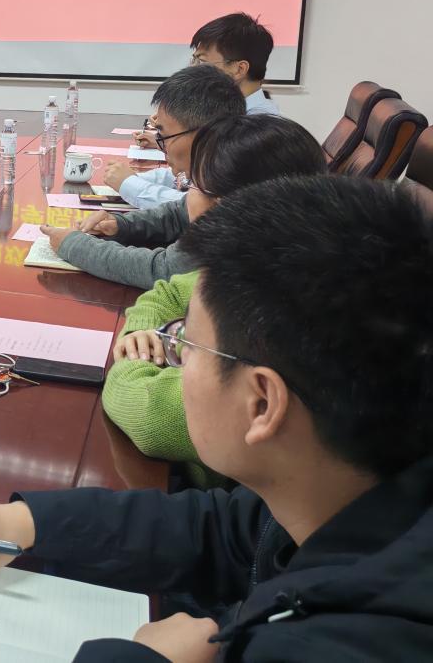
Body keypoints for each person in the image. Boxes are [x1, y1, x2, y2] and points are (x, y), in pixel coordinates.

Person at [0, 176, 433, 661]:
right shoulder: (341, 489)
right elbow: (223, 530)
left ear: (261, 403)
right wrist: (27, 522)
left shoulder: (350, 643)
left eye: (185, 342)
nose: (171, 356)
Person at [101, 115, 327, 487]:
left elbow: (150, 415)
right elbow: (169, 291)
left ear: (220, 206)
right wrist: (143, 333)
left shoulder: (272, 305)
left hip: (221, 506)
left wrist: (135, 359)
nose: (186, 196)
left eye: (192, 184)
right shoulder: (265, 262)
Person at [41, 113, 303, 290]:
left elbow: (161, 270)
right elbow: (179, 212)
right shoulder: (243, 202)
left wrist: (74, 245)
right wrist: (122, 225)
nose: (187, 190)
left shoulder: (239, 245)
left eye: (193, 183)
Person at [104, 64, 245, 210]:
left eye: (164, 137)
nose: (162, 148)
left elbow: (187, 207)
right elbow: (179, 180)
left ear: (203, 135)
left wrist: (129, 184)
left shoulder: (234, 189)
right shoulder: (212, 164)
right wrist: (131, 179)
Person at [190, 12, 280, 116]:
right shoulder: (222, 112)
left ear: (239, 69)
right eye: (194, 60)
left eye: (201, 61)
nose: (192, 69)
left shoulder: (259, 122)